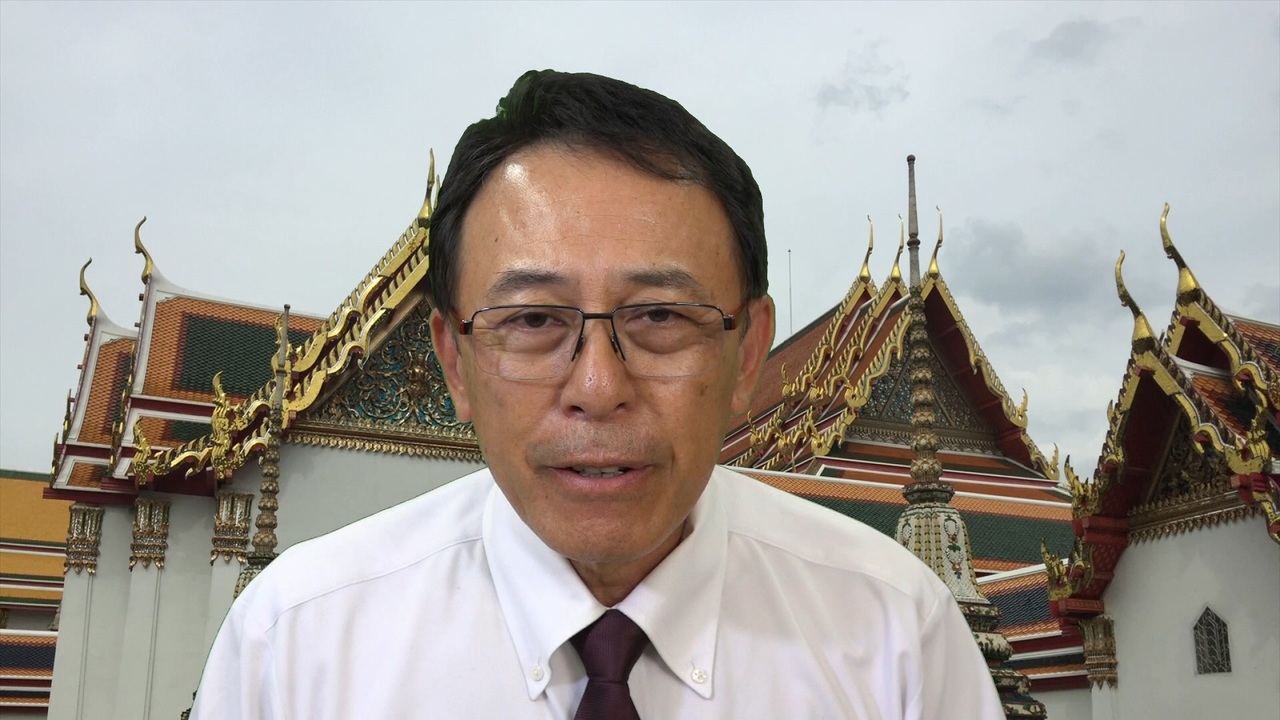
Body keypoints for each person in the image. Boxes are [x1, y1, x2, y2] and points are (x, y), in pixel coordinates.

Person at [191, 70, 1002, 720]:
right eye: (533, 320)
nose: (598, 388)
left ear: (749, 353)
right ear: (454, 361)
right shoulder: (296, 645)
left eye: (660, 317)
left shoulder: (897, 636)